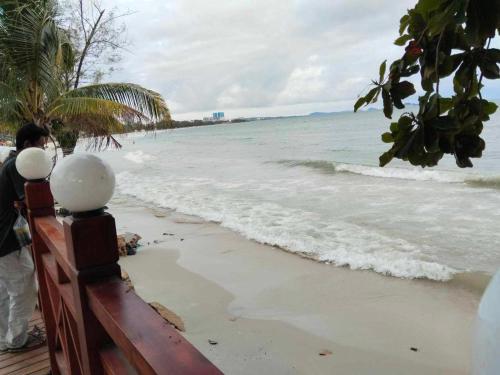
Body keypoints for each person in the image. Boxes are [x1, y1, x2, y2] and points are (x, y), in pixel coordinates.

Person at [0, 123, 49, 352]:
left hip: (5, 237)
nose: (44, 151)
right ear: (28, 145)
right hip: (5, 240)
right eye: (41, 145)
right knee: (23, 287)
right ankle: (17, 340)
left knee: (6, 290)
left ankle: (6, 339)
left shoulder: (10, 163)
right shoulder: (18, 165)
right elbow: (30, 197)